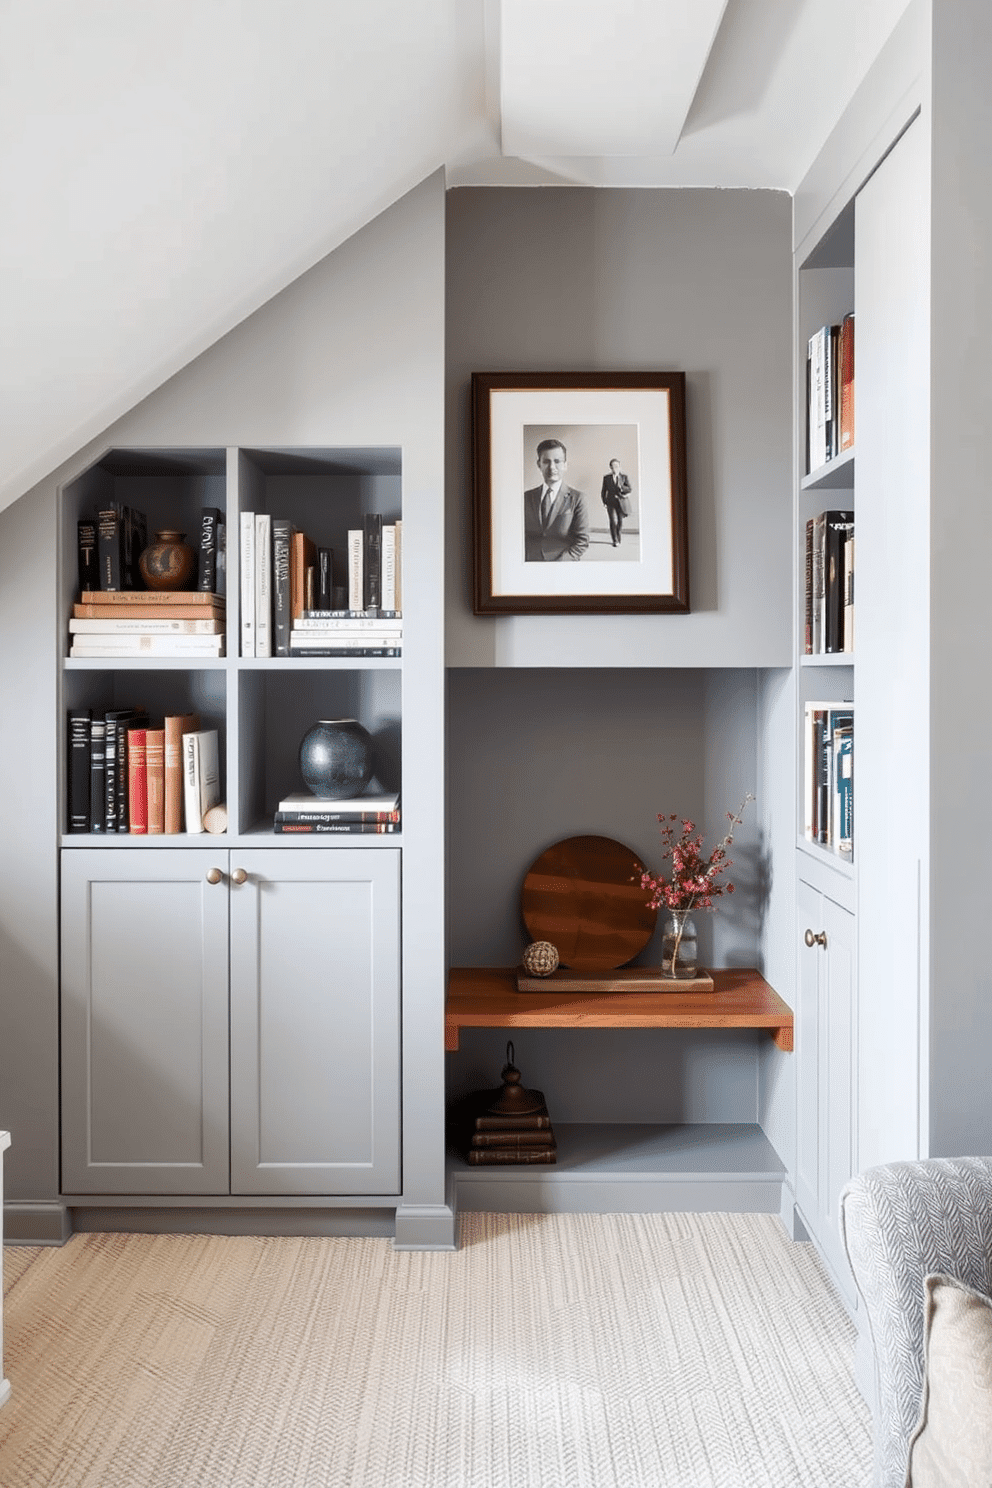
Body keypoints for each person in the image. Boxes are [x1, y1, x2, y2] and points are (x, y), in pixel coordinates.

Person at [523, 438, 589, 561]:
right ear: (539, 464)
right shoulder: (526, 497)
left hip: (563, 566)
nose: (552, 467)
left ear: (565, 465)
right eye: (546, 461)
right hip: (530, 564)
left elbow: (582, 542)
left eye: (557, 461)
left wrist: (557, 566)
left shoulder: (578, 498)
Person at [600, 458, 632, 547]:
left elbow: (629, 488)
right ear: (610, 467)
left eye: (617, 466)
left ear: (619, 467)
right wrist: (604, 501)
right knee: (613, 521)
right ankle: (615, 540)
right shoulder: (606, 478)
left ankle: (618, 537)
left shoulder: (624, 477)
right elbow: (603, 491)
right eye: (613, 466)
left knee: (620, 521)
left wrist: (622, 487)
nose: (615, 468)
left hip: (621, 503)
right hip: (610, 503)